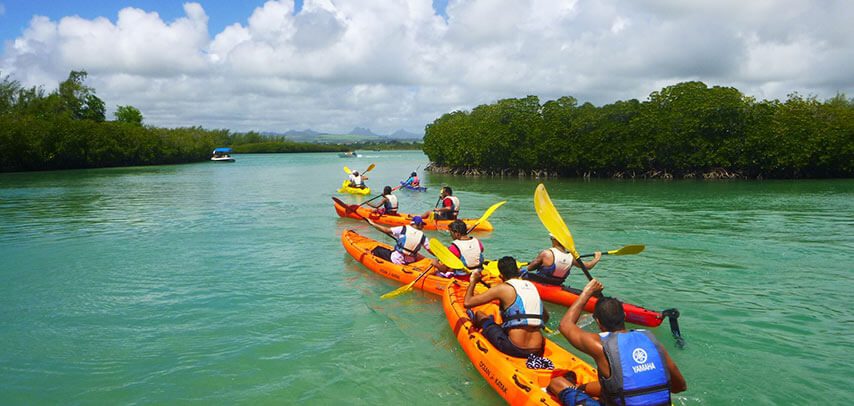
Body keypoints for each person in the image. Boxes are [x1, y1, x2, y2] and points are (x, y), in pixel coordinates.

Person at [548, 279, 687, 406]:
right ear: (625, 316)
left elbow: (565, 325)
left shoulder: (601, 346)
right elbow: (680, 387)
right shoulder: (652, 342)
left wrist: (587, 292)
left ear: (598, 322)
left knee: (557, 383)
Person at [463, 257, 550, 358]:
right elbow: (546, 317)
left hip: (514, 348)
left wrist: (473, 281)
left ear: (501, 276)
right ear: (518, 270)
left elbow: (467, 302)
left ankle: (478, 336)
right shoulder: (532, 287)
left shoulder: (503, 288)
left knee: (479, 315)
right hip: (537, 348)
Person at [523, 234, 602, 286]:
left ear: (554, 240)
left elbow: (530, 268)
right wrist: (596, 258)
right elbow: (588, 266)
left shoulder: (546, 253)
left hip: (541, 282)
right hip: (557, 283)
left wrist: (539, 263)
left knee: (521, 272)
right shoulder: (572, 257)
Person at [366, 216, 431, 265]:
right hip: (410, 261)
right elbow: (430, 250)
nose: (423, 226)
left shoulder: (403, 229)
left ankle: (369, 256)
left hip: (397, 259)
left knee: (378, 249)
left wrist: (373, 224)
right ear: (419, 224)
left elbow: (386, 230)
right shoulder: (423, 237)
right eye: (422, 225)